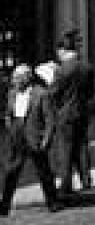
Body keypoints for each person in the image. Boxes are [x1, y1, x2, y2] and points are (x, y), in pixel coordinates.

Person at [0, 62, 60, 215]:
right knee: (11, 172)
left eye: (17, 78)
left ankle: (52, 202)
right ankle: (4, 204)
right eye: (13, 78)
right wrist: (10, 126)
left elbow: (50, 119)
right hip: (17, 136)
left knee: (43, 172)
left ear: (27, 78)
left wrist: (46, 139)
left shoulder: (41, 93)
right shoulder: (12, 93)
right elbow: (8, 112)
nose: (14, 81)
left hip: (34, 136)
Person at [48, 31, 95, 199]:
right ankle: (86, 180)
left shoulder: (62, 71)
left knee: (65, 149)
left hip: (66, 114)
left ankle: (66, 183)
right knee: (82, 146)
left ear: (62, 50)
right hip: (82, 112)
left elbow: (53, 93)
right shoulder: (86, 67)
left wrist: (49, 79)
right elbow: (91, 93)